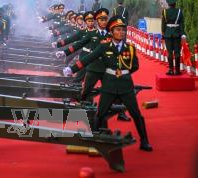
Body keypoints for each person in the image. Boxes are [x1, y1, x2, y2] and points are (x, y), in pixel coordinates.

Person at [64, 16, 152, 151]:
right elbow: (89, 58)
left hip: (125, 85)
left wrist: (122, 73)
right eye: (118, 30)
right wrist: (72, 69)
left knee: (136, 114)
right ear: (111, 32)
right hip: (109, 85)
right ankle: (94, 140)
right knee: (100, 114)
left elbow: (135, 66)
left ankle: (144, 141)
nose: (122, 32)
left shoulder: (130, 48)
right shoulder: (104, 46)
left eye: (123, 30)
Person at [161, 0, 186, 76]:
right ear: (175, 3)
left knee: (169, 53)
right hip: (177, 33)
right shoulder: (179, 11)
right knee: (177, 52)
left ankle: (171, 70)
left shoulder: (164, 11)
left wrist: (163, 34)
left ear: (168, 3)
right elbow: (182, 24)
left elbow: (163, 24)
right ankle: (177, 70)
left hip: (168, 34)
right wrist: (183, 34)